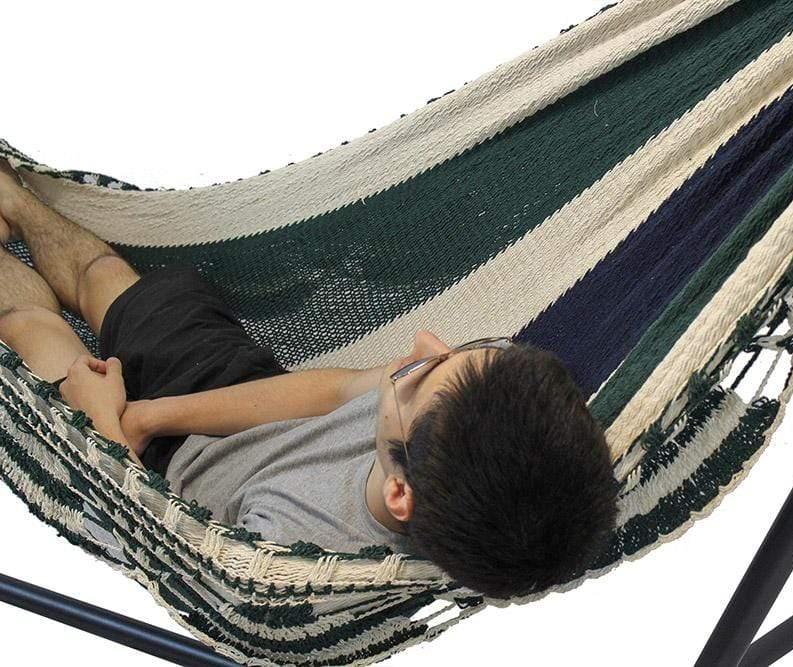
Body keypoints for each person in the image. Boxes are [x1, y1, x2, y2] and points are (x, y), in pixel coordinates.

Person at [0, 161, 620, 598]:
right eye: (460, 350)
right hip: (231, 399)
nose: (424, 345)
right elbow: (324, 393)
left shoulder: (295, 558)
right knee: (111, 280)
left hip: (151, 475)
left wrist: (107, 428)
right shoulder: (488, 425)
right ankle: (18, 202)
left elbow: (152, 533)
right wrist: (151, 412)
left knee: (33, 330)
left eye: (417, 377)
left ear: (401, 494)